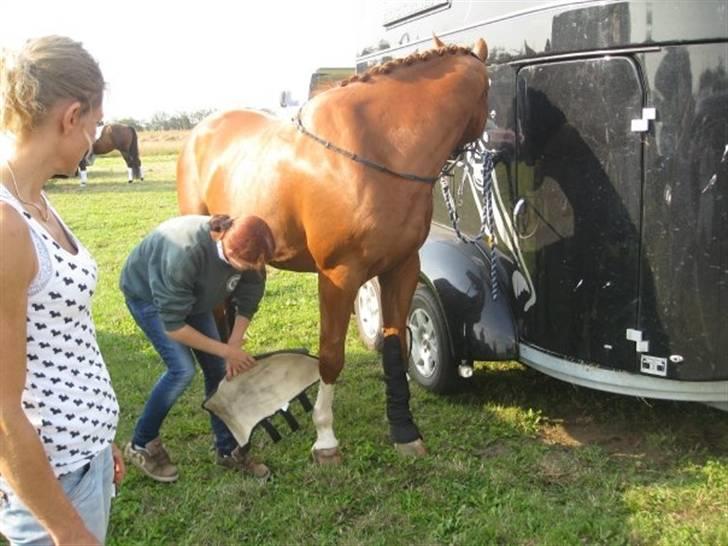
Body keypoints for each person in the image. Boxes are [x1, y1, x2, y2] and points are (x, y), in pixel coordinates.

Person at [0, 36, 125, 545]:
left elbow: (63, 338)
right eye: (95, 126)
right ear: (71, 115)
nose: (94, 140)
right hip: (52, 489)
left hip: (81, 463)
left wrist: (98, 439)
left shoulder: (37, 203)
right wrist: (67, 531)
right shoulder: (7, 226)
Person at [119, 213, 275, 483]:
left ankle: (227, 449)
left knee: (216, 369)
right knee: (182, 370)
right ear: (221, 239)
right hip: (148, 296)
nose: (246, 272)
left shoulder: (249, 253)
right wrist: (226, 351)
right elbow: (174, 326)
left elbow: (249, 297)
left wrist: (234, 343)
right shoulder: (185, 253)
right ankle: (141, 443)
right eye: (241, 267)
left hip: (194, 297)